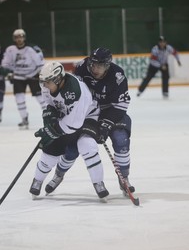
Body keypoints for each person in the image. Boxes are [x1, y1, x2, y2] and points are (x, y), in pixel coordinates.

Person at [44, 47, 135, 197]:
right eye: (93, 64)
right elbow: (72, 91)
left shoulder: (117, 76)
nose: (95, 68)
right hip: (88, 112)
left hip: (111, 111)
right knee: (72, 147)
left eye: (100, 65)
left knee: (121, 140)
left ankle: (124, 178)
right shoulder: (81, 67)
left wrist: (107, 122)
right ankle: (58, 175)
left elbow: (121, 105)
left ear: (108, 65)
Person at [29, 61, 109, 200]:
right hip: (67, 116)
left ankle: (98, 182)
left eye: (47, 82)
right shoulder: (47, 86)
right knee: (51, 149)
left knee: (87, 145)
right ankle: (37, 180)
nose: (44, 86)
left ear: (58, 79)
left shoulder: (78, 92)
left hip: (87, 117)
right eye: (43, 82)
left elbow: (74, 125)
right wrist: (50, 116)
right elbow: (49, 104)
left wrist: (52, 131)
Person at [1, 28, 45, 129]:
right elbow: (5, 64)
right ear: (14, 39)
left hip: (32, 75)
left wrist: (40, 74)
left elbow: (41, 63)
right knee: (19, 99)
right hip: (18, 77)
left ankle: (51, 117)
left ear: (24, 37)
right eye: (17, 37)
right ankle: (24, 118)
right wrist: (7, 72)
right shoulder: (10, 49)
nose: (19, 39)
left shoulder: (32, 49)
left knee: (41, 99)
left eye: (21, 37)